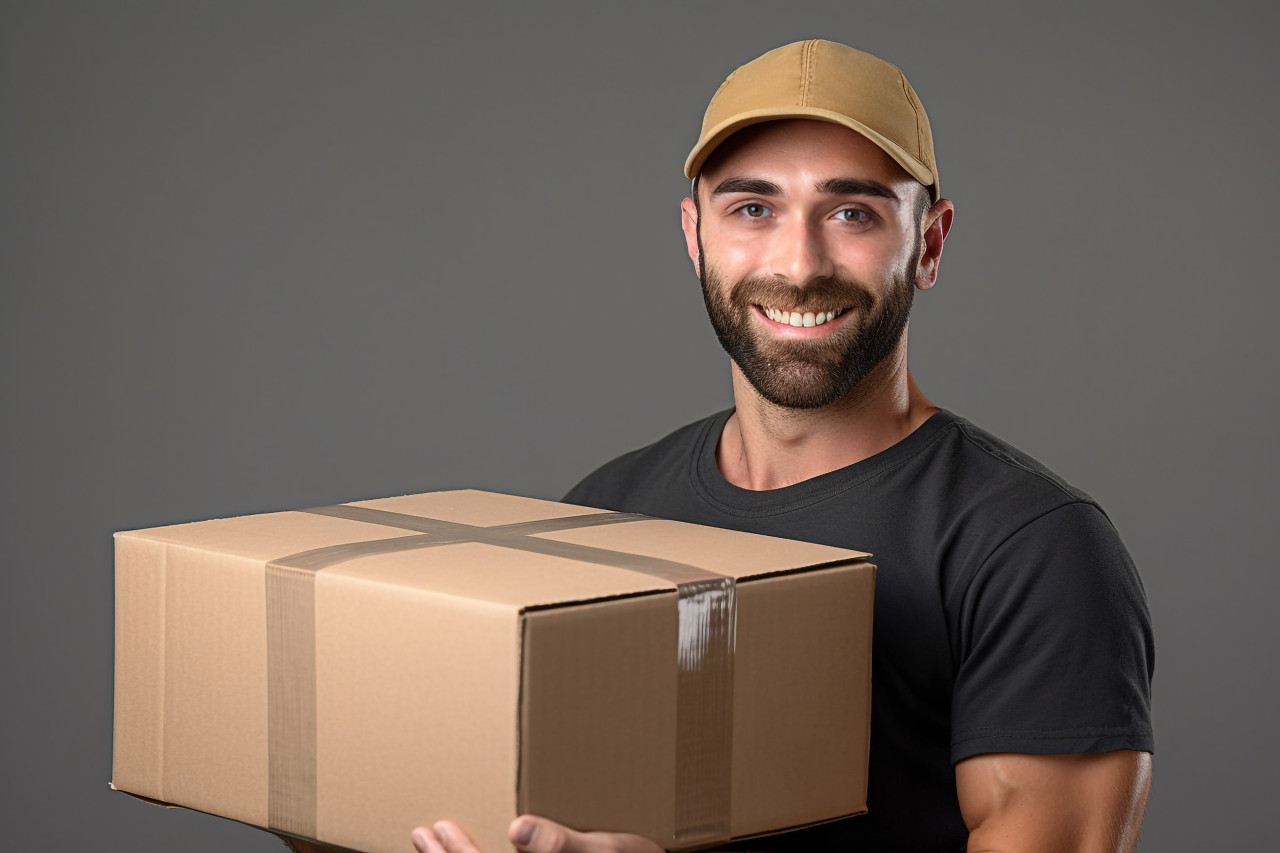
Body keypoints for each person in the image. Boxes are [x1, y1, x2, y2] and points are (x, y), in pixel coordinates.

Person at [397, 38, 1154, 853]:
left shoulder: (1027, 546)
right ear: (695, 238)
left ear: (929, 244)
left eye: (852, 212)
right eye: (752, 208)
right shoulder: (605, 514)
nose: (798, 266)